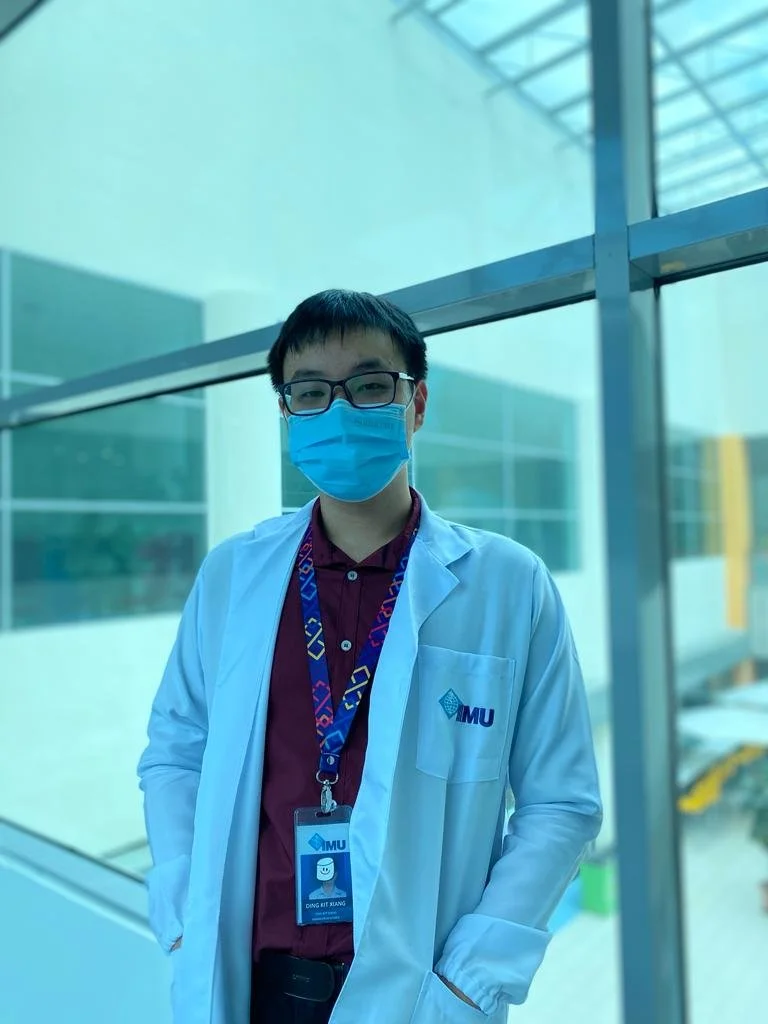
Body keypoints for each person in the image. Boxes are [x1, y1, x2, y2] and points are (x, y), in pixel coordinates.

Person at [138, 289, 602, 1024]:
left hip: (420, 994)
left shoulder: (508, 585)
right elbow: (174, 752)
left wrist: (469, 981)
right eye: (311, 393)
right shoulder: (233, 575)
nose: (340, 411)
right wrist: (183, 907)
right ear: (287, 413)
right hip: (252, 986)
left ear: (417, 404)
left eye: (370, 385)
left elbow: (560, 803)